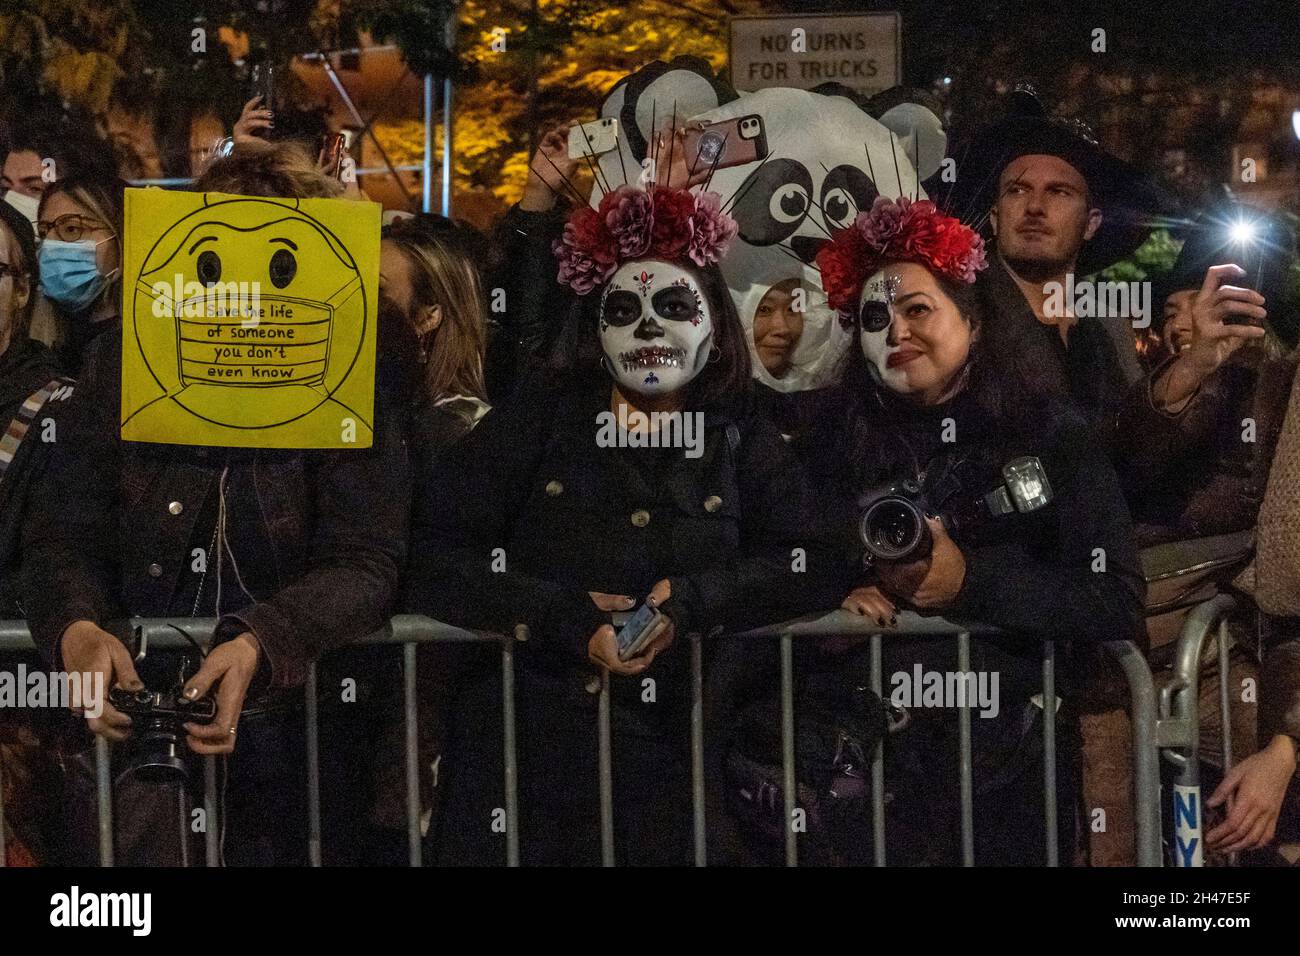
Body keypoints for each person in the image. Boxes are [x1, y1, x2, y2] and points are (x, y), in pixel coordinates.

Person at [405, 181, 836, 865]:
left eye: (672, 306)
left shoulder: (739, 432)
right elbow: (432, 556)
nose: (648, 328)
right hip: (526, 773)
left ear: (713, 322)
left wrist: (693, 603)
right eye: (626, 309)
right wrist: (559, 617)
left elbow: (814, 558)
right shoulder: (538, 420)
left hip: (674, 773)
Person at [19, 139, 411, 865]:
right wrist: (75, 629)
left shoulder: (355, 372)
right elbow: (61, 535)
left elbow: (366, 559)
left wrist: (261, 643)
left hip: (295, 752)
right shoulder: (122, 363)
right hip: (141, 742)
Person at [728, 196, 1145, 865]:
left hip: (1006, 774)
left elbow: (1115, 600)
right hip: (856, 785)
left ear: (973, 321)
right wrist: (829, 598)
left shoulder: (1049, 433)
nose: (895, 331)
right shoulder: (823, 442)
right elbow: (766, 566)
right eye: (873, 317)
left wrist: (967, 584)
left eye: (917, 309)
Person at [951, 86, 1168, 438]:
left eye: (1058, 192)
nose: (1034, 206)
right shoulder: (956, 313)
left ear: (1091, 223)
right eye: (1017, 190)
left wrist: (1192, 367)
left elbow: (1132, 451)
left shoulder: (1109, 327)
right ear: (994, 217)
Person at [36, 168, 128, 375]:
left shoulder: (141, 353)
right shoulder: (42, 353)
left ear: (122, 235)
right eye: (43, 232)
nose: (50, 245)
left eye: (71, 229)